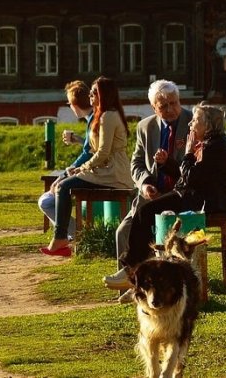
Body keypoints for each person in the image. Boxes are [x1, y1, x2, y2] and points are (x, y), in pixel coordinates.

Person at [105, 103, 226, 289]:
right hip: (197, 196)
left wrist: (187, 153)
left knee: (146, 212)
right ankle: (139, 273)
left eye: (195, 121)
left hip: (207, 203)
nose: (190, 124)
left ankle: (134, 270)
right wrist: (167, 163)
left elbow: (192, 178)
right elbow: (190, 177)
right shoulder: (211, 144)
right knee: (147, 211)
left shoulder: (216, 148)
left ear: (208, 126)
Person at [104, 80, 193, 293]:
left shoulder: (192, 121)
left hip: (180, 193)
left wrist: (169, 164)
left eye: (174, 103)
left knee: (150, 225)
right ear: (154, 107)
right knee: (123, 231)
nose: (171, 110)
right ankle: (132, 288)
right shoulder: (146, 127)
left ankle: (143, 282)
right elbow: (136, 163)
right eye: (164, 106)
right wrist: (144, 184)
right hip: (151, 193)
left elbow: (195, 167)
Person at [40, 76, 133, 257]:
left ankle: (61, 237)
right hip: (103, 170)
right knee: (63, 185)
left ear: (103, 95)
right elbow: (92, 149)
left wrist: (81, 168)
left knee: (63, 186)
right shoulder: (102, 115)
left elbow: (103, 153)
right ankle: (63, 236)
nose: (90, 96)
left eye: (94, 92)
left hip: (113, 173)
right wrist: (76, 165)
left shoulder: (109, 116)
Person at [37, 81, 95, 240]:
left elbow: (89, 154)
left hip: (94, 173)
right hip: (93, 170)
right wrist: (79, 140)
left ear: (75, 105)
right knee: (50, 196)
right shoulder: (94, 119)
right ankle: (73, 235)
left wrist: (66, 173)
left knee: (46, 201)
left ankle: (75, 236)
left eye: (69, 104)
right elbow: (92, 148)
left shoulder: (94, 121)